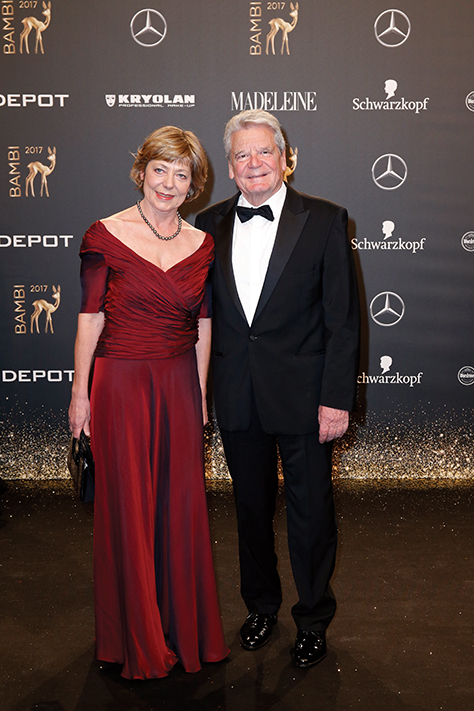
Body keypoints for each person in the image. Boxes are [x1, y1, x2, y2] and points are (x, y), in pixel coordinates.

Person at [196, 110, 360, 668]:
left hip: (307, 397)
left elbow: (343, 320)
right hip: (238, 392)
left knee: (311, 513)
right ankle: (261, 606)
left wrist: (336, 399)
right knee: (249, 509)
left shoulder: (325, 219)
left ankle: (312, 618)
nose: (254, 163)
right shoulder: (206, 223)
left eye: (264, 151)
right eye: (241, 155)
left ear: (285, 158)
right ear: (229, 166)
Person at [68, 126, 229, 679]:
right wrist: (80, 394)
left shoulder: (202, 245)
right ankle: (135, 638)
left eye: (182, 174)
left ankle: (184, 631)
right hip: (120, 384)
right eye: (160, 169)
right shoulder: (106, 233)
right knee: (130, 505)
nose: (169, 183)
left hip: (179, 384)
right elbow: (90, 318)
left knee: (180, 505)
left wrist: (200, 395)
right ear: (141, 172)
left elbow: (203, 325)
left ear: (194, 185)